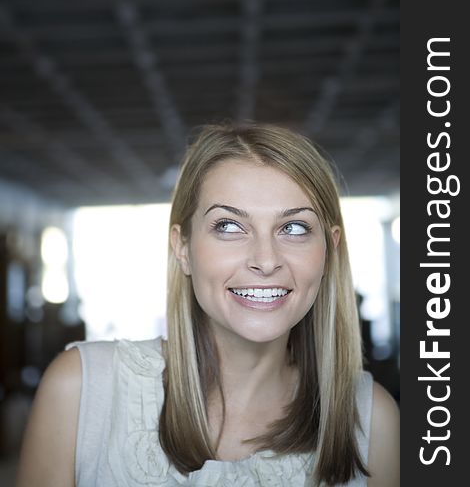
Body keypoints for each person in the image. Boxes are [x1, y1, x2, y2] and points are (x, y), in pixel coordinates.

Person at [16, 122, 399, 486]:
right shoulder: (81, 390)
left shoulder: (373, 420)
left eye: (294, 228)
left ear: (330, 249)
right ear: (182, 248)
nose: (266, 260)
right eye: (229, 226)